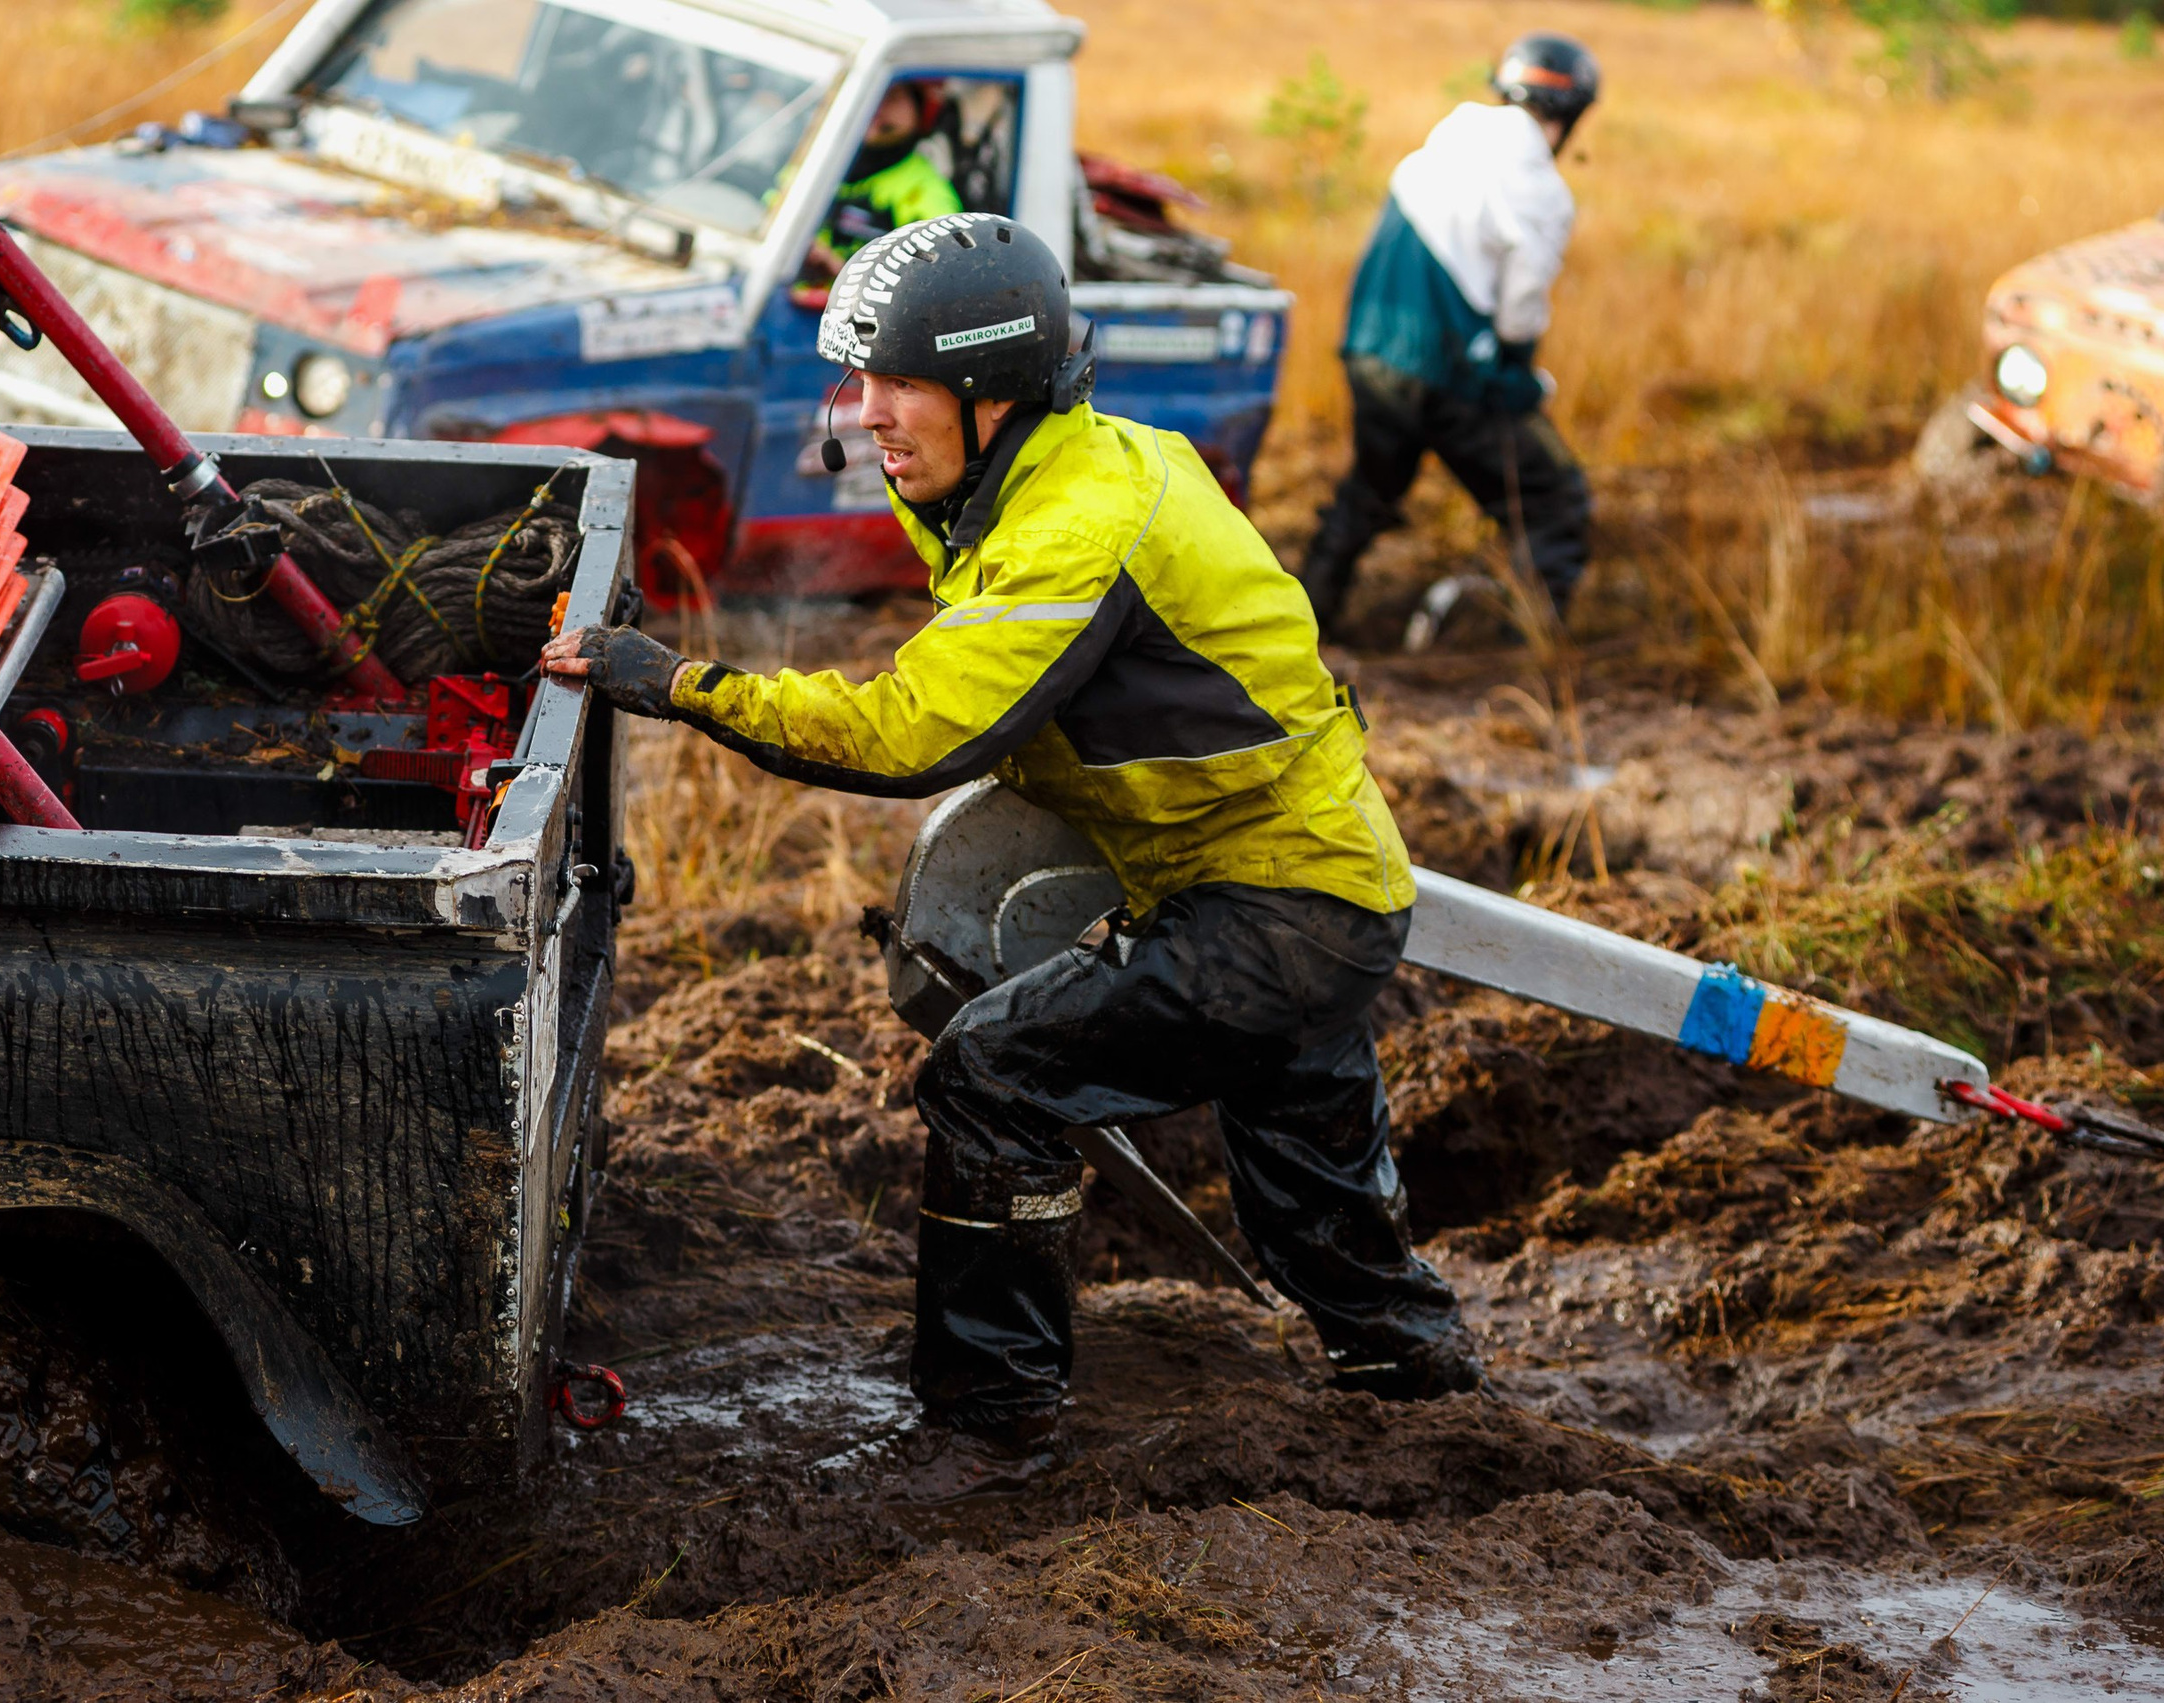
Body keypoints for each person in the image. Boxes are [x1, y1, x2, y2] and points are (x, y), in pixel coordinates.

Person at [547, 213, 1482, 1473]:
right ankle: (1442, 1411)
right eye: (857, 379)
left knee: (993, 1072)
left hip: (1277, 905)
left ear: (993, 391)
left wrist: (676, 683)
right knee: (1324, 1216)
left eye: (897, 383)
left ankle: (993, 1418)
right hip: (1301, 879)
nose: (865, 412)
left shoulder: (1079, 524)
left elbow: (911, 734)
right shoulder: (1077, 466)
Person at [1298, 32, 1600, 637]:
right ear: (1568, 116)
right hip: (1445, 370)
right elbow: (1518, 314)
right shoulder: (1541, 190)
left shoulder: (1440, 144)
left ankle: (1305, 620)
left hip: (1369, 354)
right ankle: (1522, 649)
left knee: (1371, 489)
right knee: (1555, 502)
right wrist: (1517, 375)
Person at [803, 81, 962, 280]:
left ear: (921, 109)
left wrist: (837, 271)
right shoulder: (812, 161)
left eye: (892, 97)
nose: (877, 105)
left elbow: (934, 287)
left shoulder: (927, 194)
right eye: (873, 93)